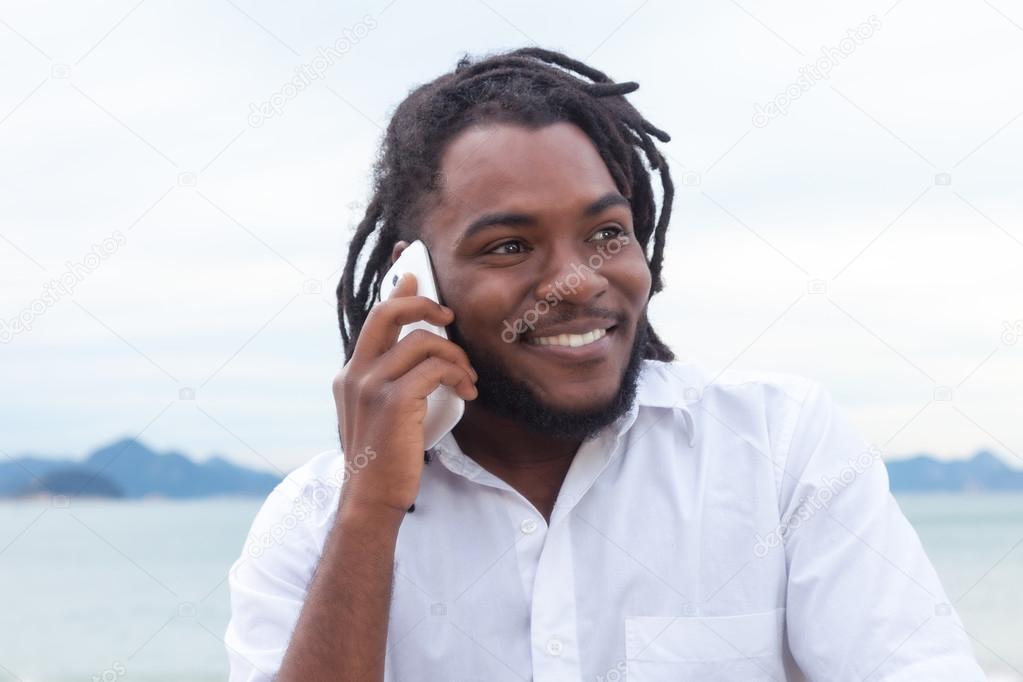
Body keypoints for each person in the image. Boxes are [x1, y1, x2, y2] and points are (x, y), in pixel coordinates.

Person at [224, 47, 985, 681]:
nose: (578, 281)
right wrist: (368, 510)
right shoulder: (312, 520)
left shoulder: (779, 449)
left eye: (606, 234)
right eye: (509, 246)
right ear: (412, 281)